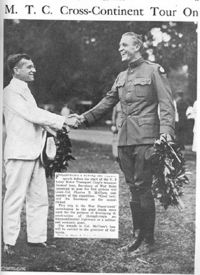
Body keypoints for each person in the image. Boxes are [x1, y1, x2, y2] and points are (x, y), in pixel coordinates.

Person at [77, 32, 175, 253]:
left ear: (137, 46)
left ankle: (148, 240)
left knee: (143, 186)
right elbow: (106, 102)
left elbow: (167, 103)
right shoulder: (121, 76)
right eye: (119, 45)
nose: (120, 48)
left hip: (146, 138)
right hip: (124, 139)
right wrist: (84, 119)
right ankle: (137, 235)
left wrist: (166, 132)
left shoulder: (153, 70)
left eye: (124, 44)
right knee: (133, 188)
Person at [3, 53, 80, 255]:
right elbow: (33, 114)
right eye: (28, 66)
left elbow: (35, 120)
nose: (33, 69)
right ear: (15, 71)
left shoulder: (25, 91)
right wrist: (63, 121)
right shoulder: (10, 92)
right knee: (15, 198)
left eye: (33, 66)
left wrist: (59, 129)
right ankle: (9, 242)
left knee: (39, 197)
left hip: (35, 152)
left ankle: (36, 239)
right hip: (19, 153)